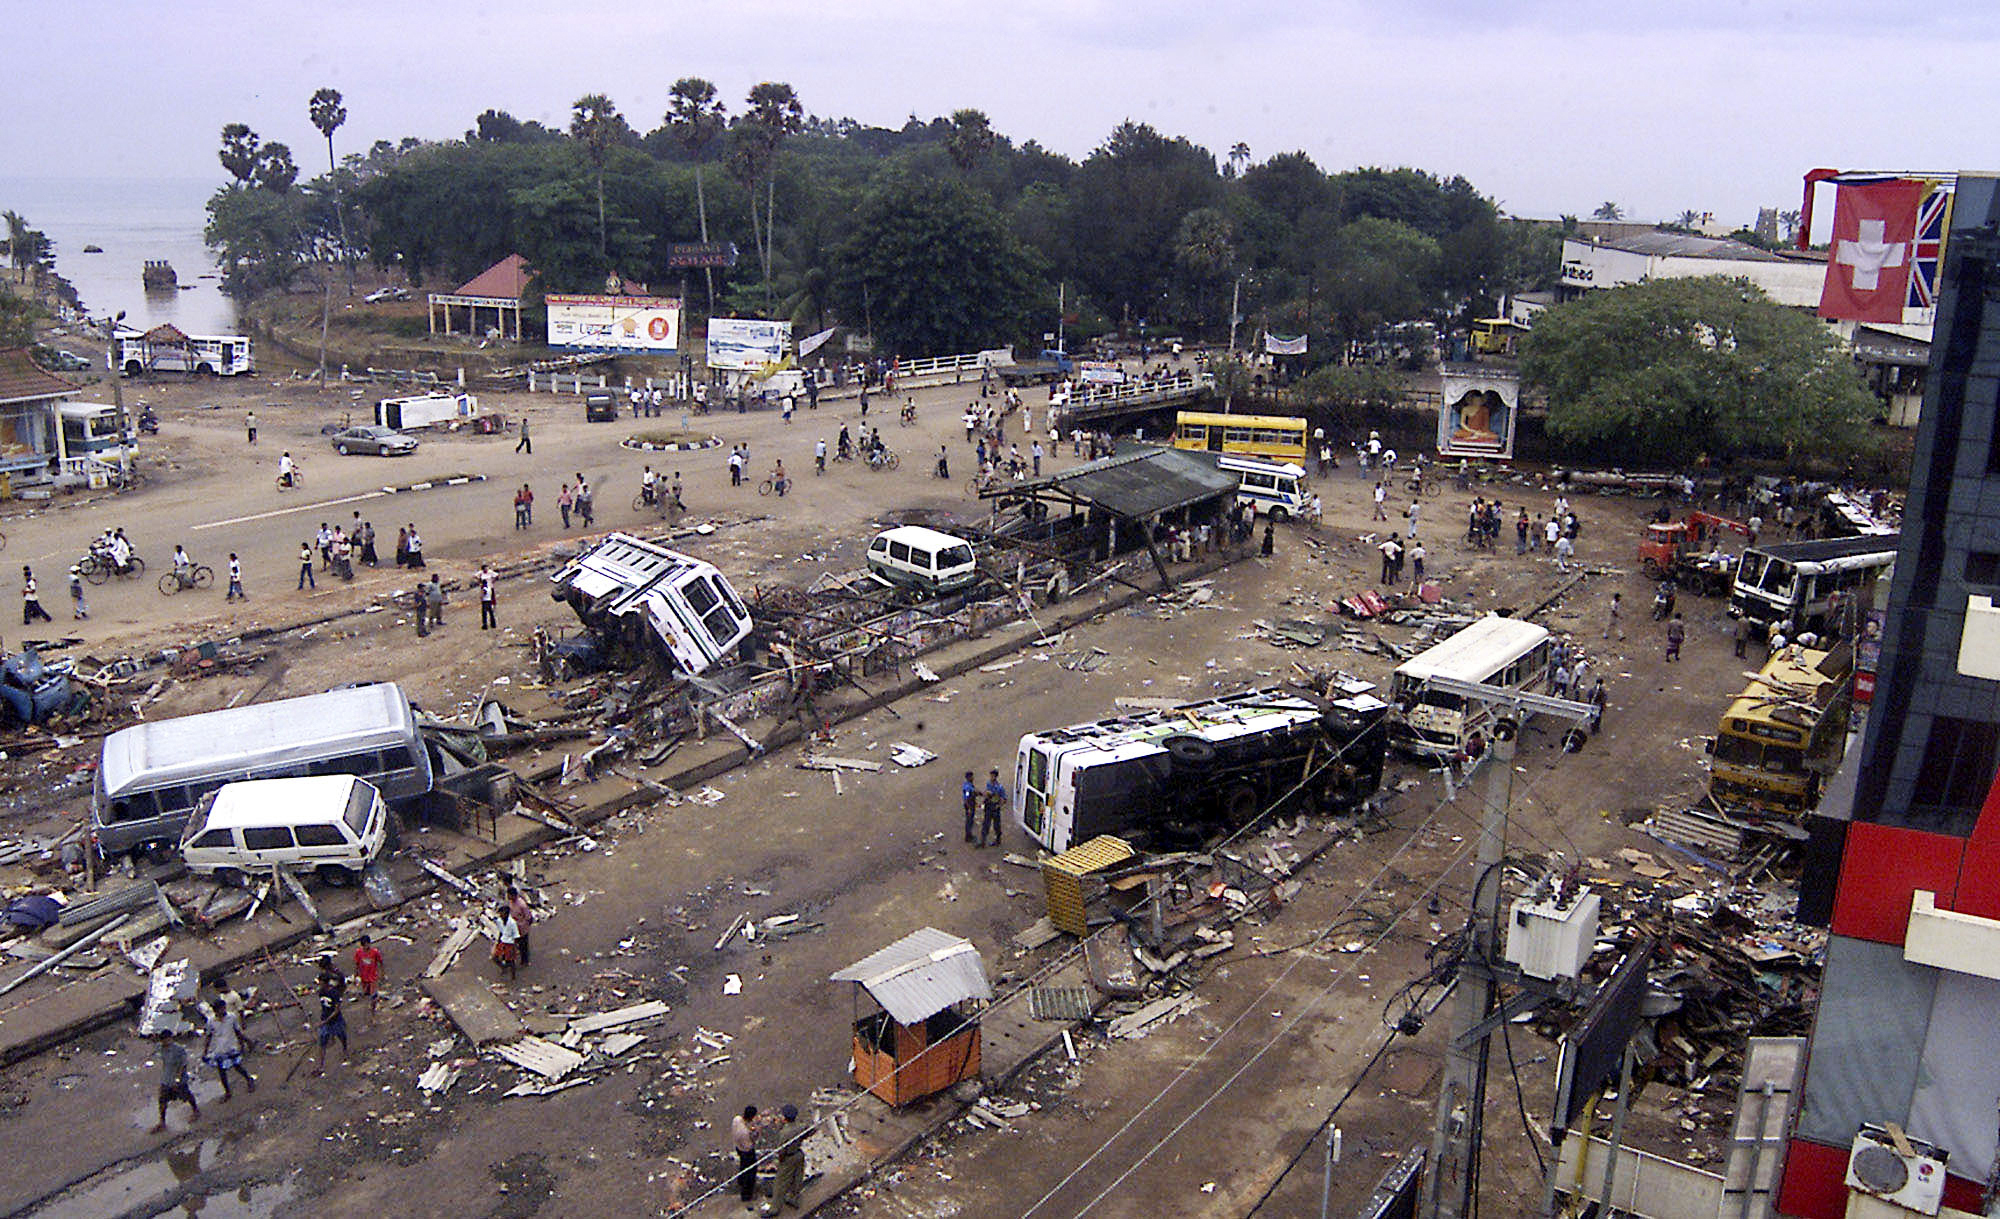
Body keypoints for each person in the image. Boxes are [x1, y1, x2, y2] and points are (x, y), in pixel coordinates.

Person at [202, 996, 256, 1099]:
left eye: (224, 1008)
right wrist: (205, 1051)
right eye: (220, 1009)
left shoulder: (231, 1017)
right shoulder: (211, 1022)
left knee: (237, 1066)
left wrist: (243, 1044)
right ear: (215, 1010)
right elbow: (208, 1037)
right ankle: (227, 1092)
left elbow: (237, 1032)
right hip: (219, 1050)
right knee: (222, 1072)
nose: (223, 1010)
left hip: (231, 1047)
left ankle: (249, 1079)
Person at [762, 1104, 808, 1216]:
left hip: (788, 1158)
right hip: (798, 1154)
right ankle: (794, 1198)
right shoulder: (801, 1126)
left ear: (784, 1118)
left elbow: (781, 1151)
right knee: (797, 1178)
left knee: (780, 1184)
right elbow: (809, 1132)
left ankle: (774, 1209)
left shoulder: (785, 1133)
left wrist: (780, 1161)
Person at [150, 1032, 200, 1132]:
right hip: (167, 1078)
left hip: (179, 1078)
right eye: (162, 1040)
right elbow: (155, 1048)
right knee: (162, 1099)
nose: (164, 1042)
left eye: (166, 1040)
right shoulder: (161, 1047)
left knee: (185, 1094)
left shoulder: (178, 1049)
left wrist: (177, 1079)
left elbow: (183, 1065)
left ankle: (195, 1110)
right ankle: (162, 1122)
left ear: (170, 1038)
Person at [311, 957, 348, 1075]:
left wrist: (324, 1021)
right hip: (326, 1019)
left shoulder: (334, 988)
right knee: (322, 1043)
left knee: (342, 1036)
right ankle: (320, 1066)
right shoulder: (321, 992)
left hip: (335, 1019)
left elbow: (337, 1010)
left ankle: (345, 1050)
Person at [733, 1105, 766, 1207]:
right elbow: (750, 1144)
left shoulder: (737, 1119)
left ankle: (741, 1180)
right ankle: (746, 1194)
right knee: (750, 1172)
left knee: (743, 1166)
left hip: (738, 1147)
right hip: (746, 1151)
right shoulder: (745, 1133)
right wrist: (757, 1131)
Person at [353, 934, 384, 1018]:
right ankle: (372, 1006)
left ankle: (373, 1012)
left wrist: (382, 974)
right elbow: (356, 964)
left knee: (373, 995)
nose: (365, 947)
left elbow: (380, 963)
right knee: (366, 994)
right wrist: (355, 976)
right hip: (364, 978)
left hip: (373, 977)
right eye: (364, 945)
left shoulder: (375, 952)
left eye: (367, 944)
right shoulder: (358, 953)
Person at [507, 884, 534, 967]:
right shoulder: (511, 902)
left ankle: (525, 961)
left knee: (523, 945)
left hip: (522, 928)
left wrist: (524, 925)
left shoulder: (521, 904)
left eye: (509, 895)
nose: (508, 896)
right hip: (514, 927)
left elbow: (528, 917)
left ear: (514, 895)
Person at [979, 768, 1006, 847]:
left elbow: (1004, 799)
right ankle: (983, 841)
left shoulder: (999, 787)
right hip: (988, 806)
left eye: (993, 776)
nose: (991, 777)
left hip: (995, 807)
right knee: (986, 824)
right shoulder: (988, 784)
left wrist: (998, 805)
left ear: (996, 777)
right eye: (991, 776)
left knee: (996, 825)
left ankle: (998, 839)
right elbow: (986, 794)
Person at [493, 902, 520, 980]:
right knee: (494, 957)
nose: (501, 915)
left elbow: (516, 936)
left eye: (502, 913)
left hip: (510, 943)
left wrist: (515, 948)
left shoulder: (512, 923)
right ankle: (503, 967)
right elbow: (500, 932)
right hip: (502, 941)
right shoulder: (499, 921)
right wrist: (497, 943)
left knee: (510, 960)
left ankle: (513, 975)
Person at [961, 770, 978, 844]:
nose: (973, 778)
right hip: (969, 805)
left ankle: (969, 834)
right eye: (971, 776)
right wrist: (969, 807)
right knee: (969, 821)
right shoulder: (968, 787)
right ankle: (968, 836)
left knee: (970, 820)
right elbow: (967, 796)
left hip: (970, 804)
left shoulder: (968, 784)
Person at [479, 564, 498, 630]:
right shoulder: (489, 588)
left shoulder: (484, 589)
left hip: (485, 601)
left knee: (484, 614)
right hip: (489, 600)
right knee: (491, 612)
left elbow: (482, 595)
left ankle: (485, 625)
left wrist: (481, 597)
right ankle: (493, 624)